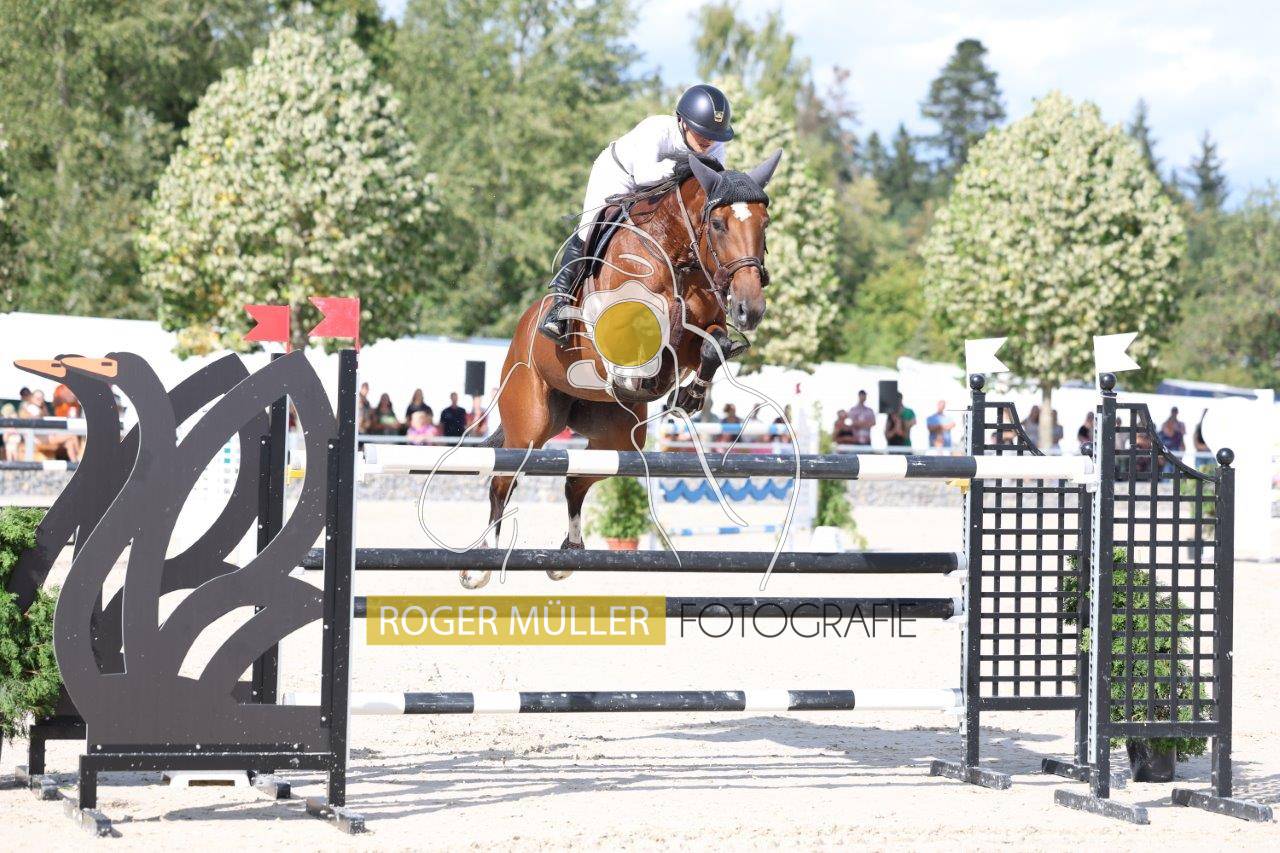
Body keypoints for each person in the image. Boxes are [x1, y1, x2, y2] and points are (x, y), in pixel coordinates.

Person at [539, 84, 734, 343]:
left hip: (665, 188)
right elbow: (645, 176)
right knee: (590, 226)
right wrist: (688, 167)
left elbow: (711, 188)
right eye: (702, 132)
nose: (708, 141)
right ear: (683, 122)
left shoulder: (715, 146)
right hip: (619, 175)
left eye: (713, 134)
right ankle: (560, 304)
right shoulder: (656, 129)